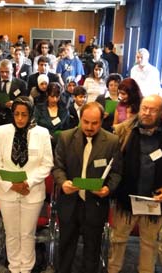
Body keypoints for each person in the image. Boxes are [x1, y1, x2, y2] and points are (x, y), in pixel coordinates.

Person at [108, 95, 162, 273]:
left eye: (152, 110)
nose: (146, 113)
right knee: (118, 240)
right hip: (125, 199)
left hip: (154, 202)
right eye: (144, 108)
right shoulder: (122, 131)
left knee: (149, 244)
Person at [53, 101, 122, 273]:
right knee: (66, 247)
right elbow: (57, 167)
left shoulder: (112, 141)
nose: (90, 127)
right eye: (86, 122)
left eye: (95, 123)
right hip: (70, 202)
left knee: (92, 249)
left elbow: (117, 173)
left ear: (101, 121)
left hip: (95, 204)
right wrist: (63, 182)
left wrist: (108, 189)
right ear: (80, 119)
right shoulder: (66, 137)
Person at [0, 96, 53, 273]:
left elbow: (47, 164)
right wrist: (11, 184)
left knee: (27, 233)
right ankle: (13, 266)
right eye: (16, 114)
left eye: (24, 114)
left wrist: (28, 182)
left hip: (31, 191)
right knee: (11, 233)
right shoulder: (3, 131)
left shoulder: (41, 133)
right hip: (7, 191)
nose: (19, 118)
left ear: (30, 114)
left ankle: (25, 268)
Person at [0, 59, 27, 134]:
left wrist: (15, 104)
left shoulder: (21, 84)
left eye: (7, 72)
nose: (4, 74)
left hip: (13, 119)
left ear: (12, 70)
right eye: (2, 72)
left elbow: (25, 102)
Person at [33, 82, 69, 146]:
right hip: (42, 142)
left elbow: (67, 129)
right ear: (47, 94)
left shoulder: (64, 110)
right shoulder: (39, 108)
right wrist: (45, 135)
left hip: (60, 145)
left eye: (57, 97)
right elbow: (34, 125)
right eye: (52, 96)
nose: (54, 99)